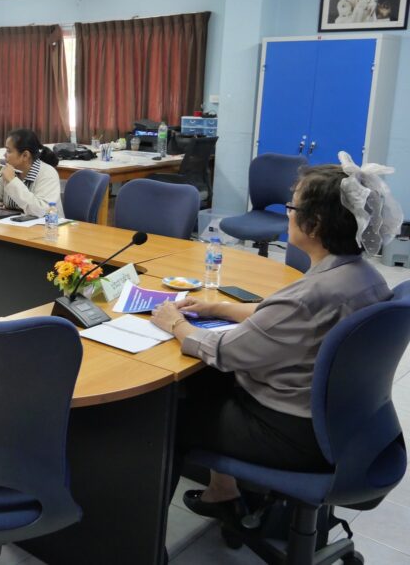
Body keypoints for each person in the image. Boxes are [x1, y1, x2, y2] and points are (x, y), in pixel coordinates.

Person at [150, 159, 401, 525]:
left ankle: (146, 539)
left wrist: (174, 323)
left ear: (314, 223)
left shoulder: (311, 295)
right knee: (207, 383)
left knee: (165, 413)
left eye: (292, 207)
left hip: (291, 433)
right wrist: (216, 307)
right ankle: (223, 493)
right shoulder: (362, 276)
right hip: (343, 425)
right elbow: (281, 316)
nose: (287, 214)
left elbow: (224, 352)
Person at [0, 129, 62, 218]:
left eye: (8, 151)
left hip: (47, 225)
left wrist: (12, 181)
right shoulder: (8, 169)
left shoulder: (48, 173)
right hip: (13, 223)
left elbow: (41, 210)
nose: (4, 155)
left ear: (25, 155)